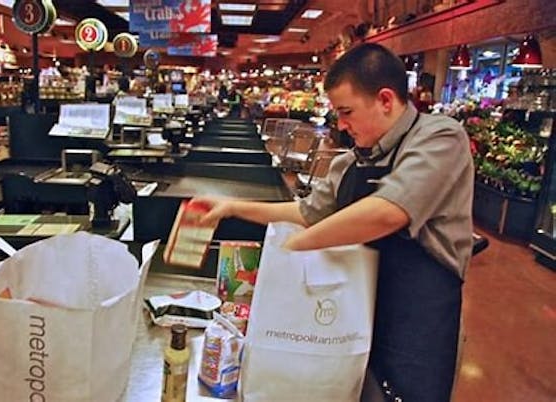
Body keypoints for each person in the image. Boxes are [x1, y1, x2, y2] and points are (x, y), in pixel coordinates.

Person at [191, 43, 474, 402]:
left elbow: (387, 212)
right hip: (349, 312)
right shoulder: (350, 163)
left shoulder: (441, 138)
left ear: (385, 100)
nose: (340, 125)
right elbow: (308, 213)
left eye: (346, 112)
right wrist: (232, 207)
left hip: (415, 321)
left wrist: (288, 251)